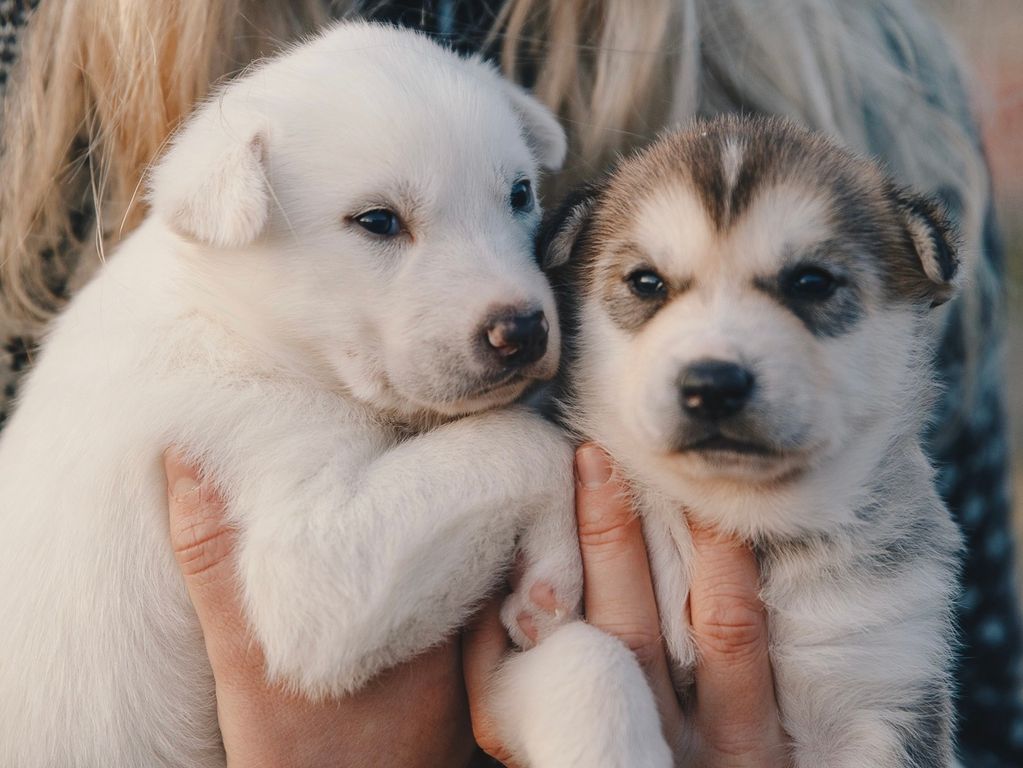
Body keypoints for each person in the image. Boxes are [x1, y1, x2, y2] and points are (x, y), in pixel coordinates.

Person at [1, 1, 1019, 764]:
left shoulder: (859, 69)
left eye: (520, 202)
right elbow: (321, 623)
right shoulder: (65, 111)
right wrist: (535, 466)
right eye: (380, 225)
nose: (512, 294)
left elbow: (981, 687)